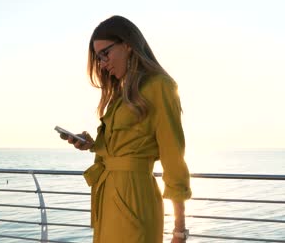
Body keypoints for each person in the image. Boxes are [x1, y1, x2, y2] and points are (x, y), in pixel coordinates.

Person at [60, 15, 192, 243]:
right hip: (109, 199)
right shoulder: (121, 95)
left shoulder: (160, 86)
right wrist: (92, 144)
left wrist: (179, 229)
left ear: (128, 45)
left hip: (135, 199)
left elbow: (173, 156)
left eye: (105, 53)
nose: (102, 63)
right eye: (98, 57)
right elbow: (124, 145)